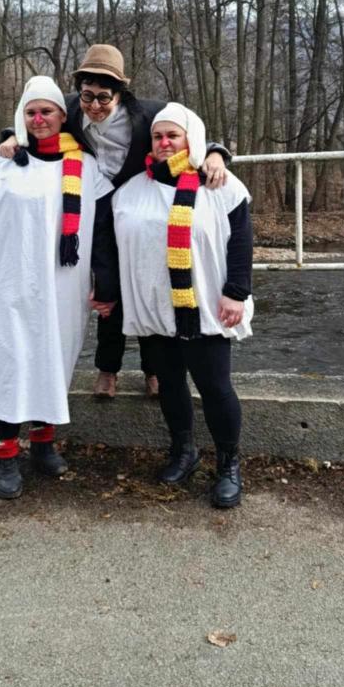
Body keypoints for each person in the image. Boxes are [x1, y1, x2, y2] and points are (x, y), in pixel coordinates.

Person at [0, 44, 231, 399]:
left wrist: (215, 153)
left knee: (149, 282)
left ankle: (153, 370)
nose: (94, 106)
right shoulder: (70, 108)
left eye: (104, 98)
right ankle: (108, 369)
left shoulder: (149, 114)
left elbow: (187, 130)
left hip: (142, 206)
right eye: (87, 95)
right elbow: (35, 118)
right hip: (97, 207)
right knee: (108, 289)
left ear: (120, 93)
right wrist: (12, 136)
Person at [0, 76, 118, 500]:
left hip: (62, 287)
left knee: (51, 363)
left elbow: (102, 234)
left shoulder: (86, 167)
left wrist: (106, 286)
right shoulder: (0, 164)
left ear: (63, 116)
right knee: (12, 366)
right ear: (20, 117)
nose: (38, 119)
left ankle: (43, 445)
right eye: (30, 112)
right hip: (8, 284)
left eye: (46, 111)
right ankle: (7, 455)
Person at [112, 102, 253, 508]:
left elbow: (241, 242)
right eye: (158, 136)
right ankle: (184, 451)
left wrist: (236, 292)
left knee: (215, 387)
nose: (164, 142)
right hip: (156, 308)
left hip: (205, 306)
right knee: (170, 384)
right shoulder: (131, 190)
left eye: (173, 135)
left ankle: (228, 464)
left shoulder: (220, 186)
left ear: (191, 139)